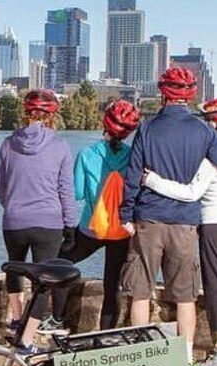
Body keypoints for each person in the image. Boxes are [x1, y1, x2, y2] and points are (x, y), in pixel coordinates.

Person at [119, 67, 217, 365]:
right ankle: (184, 359)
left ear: (163, 93)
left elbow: (133, 175)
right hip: (186, 223)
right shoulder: (203, 131)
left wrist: (126, 215)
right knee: (186, 296)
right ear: (190, 95)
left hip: (148, 219)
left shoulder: (147, 128)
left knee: (140, 292)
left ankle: (142, 356)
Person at [48, 100, 142, 332]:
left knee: (61, 262)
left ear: (105, 124)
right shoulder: (133, 157)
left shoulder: (87, 155)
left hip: (91, 228)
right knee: (112, 284)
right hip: (121, 230)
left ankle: (57, 319)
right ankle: (107, 332)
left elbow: (77, 193)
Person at [0, 90, 76, 354]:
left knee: (15, 270)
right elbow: (66, 189)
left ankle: (16, 320)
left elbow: (0, 185)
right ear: (52, 115)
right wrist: (71, 224)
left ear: (25, 113)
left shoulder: (8, 144)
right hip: (48, 222)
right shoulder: (60, 146)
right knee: (44, 282)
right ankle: (27, 340)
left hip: (14, 220)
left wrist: (13, 205)